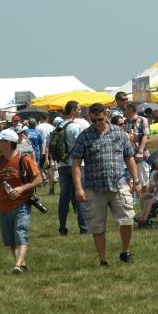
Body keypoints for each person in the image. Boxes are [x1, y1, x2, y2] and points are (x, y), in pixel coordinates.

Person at [71, 103, 141, 266]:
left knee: (127, 219)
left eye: (100, 119)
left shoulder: (119, 133)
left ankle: (125, 252)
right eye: (93, 120)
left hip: (118, 184)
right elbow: (76, 163)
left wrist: (136, 180)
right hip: (94, 188)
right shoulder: (84, 136)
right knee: (97, 226)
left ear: (107, 116)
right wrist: (78, 188)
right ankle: (103, 260)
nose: (97, 123)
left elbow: (129, 157)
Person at [0, 129, 42, 275]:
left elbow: (38, 179)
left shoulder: (24, 159)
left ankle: (17, 265)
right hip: (3, 206)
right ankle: (22, 264)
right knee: (10, 239)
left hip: (21, 204)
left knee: (20, 233)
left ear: (8, 143)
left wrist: (22, 188)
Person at [57, 101, 88, 236]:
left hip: (62, 165)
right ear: (73, 110)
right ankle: (84, 227)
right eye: (79, 109)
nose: (80, 111)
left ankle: (62, 227)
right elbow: (81, 146)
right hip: (76, 165)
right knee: (80, 195)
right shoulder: (75, 127)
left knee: (64, 197)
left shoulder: (59, 125)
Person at [123, 102, 151, 193]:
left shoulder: (142, 120)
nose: (123, 111)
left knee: (144, 183)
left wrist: (140, 152)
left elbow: (146, 136)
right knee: (132, 183)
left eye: (125, 109)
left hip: (141, 157)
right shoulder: (125, 122)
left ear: (130, 109)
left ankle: (145, 199)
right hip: (130, 157)